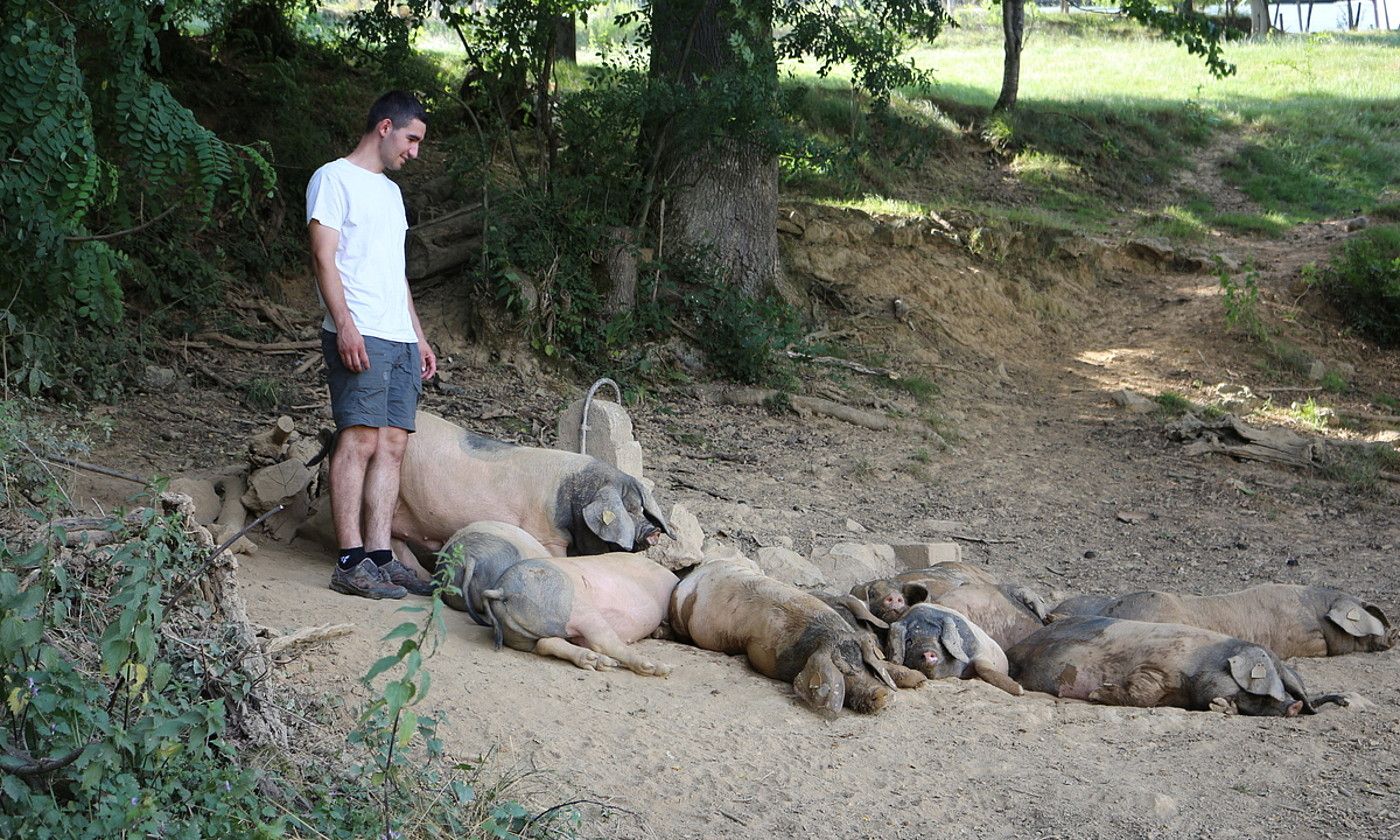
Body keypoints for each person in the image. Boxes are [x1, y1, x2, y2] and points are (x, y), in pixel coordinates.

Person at [306, 90, 437, 599]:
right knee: (358, 440)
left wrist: (419, 337)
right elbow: (324, 257)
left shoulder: (391, 194)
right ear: (385, 127)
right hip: (358, 328)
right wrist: (346, 324)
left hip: (398, 336)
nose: (414, 152)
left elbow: (396, 273)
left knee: (393, 444)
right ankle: (349, 560)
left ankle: (381, 557)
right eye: (411, 139)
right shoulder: (333, 178)